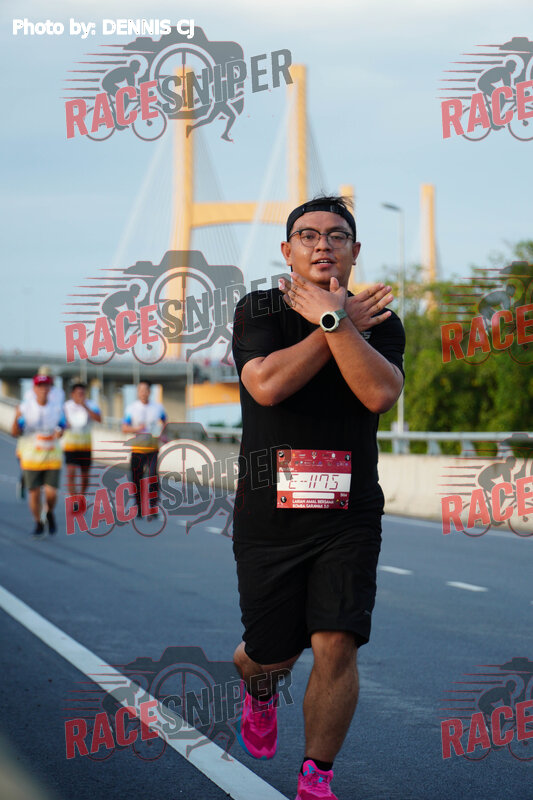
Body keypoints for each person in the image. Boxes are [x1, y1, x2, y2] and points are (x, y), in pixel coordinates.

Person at [231, 195, 405, 800]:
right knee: (268, 657)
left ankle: (316, 778)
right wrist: (334, 320)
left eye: (336, 235)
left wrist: (339, 320)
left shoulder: (381, 320)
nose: (322, 244)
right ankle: (258, 687)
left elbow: (380, 394)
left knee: (337, 641)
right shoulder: (258, 309)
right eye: (308, 235)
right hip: (269, 513)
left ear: (355, 251)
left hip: (349, 513)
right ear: (287, 251)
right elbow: (266, 385)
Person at [11, 375, 67, 538]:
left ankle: (49, 513)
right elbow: (15, 432)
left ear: (50, 389)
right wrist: (16, 417)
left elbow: (63, 427)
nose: (43, 389)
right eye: (40, 386)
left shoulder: (56, 408)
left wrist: (60, 432)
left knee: (51, 493)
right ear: (34, 389)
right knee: (34, 493)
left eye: (46, 386)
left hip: (52, 455)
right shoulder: (25, 408)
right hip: (31, 456)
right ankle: (38, 523)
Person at [16, 366, 64, 499]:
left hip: (50, 439)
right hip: (31, 438)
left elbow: (60, 414)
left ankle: (45, 499)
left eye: (49, 376)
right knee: (25, 462)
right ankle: (24, 480)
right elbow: (23, 413)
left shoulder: (59, 393)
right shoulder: (30, 393)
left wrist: (60, 428)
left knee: (49, 486)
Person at [122, 381, 167, 519]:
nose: (143, 392)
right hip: (137, 449)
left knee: (153, 476)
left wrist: (163, 433)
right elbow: (124, 428)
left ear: (150, 392)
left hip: (152, 448)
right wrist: (137, 428)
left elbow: (165, 421)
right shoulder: (132, 408)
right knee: (137, 478)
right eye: (141, 390)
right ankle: (139, 507)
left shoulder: (157, 407)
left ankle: (153, 507)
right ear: (137, 392)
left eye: (146, 390)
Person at [62, 381, 102, 498]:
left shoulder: (91, 404)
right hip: (71, 445)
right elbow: (60, 422)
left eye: (83, 393)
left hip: (85, 446)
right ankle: (74, 498)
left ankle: (81, 495)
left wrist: (85, 406)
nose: (81, 396)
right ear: (72, 394)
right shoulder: (66, 406)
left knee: (85, 476)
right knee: (71, 473)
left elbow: (99, 419)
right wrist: (65, 425)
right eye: (78, 393)